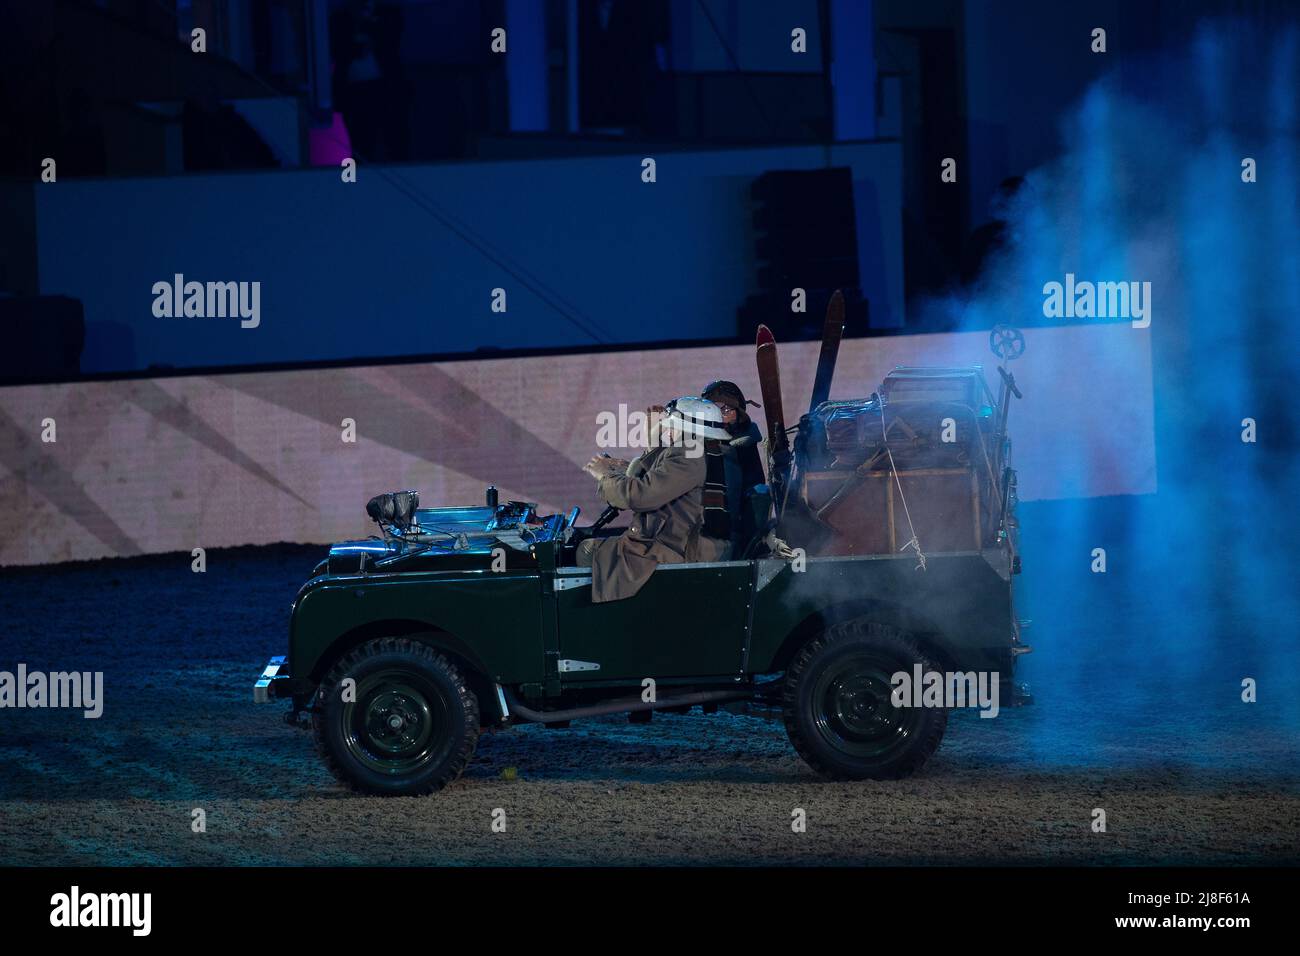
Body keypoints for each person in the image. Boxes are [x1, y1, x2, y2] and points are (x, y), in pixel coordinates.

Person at [577, 398, 730, 603]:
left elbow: (640, 496)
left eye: (672, 427)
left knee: (588, 551)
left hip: (677, 548)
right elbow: (658, 477)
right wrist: (649, 442)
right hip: (685, 543)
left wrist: (605, 476)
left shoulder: (689, 454)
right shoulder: (705, 450)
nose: (667, 432)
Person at [701, 380, 767, 557]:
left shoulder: (742, 446)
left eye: (726, 410)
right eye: (713, 410)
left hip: (732, 533)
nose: (719, 416)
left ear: (738, 414)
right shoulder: (695, 445)